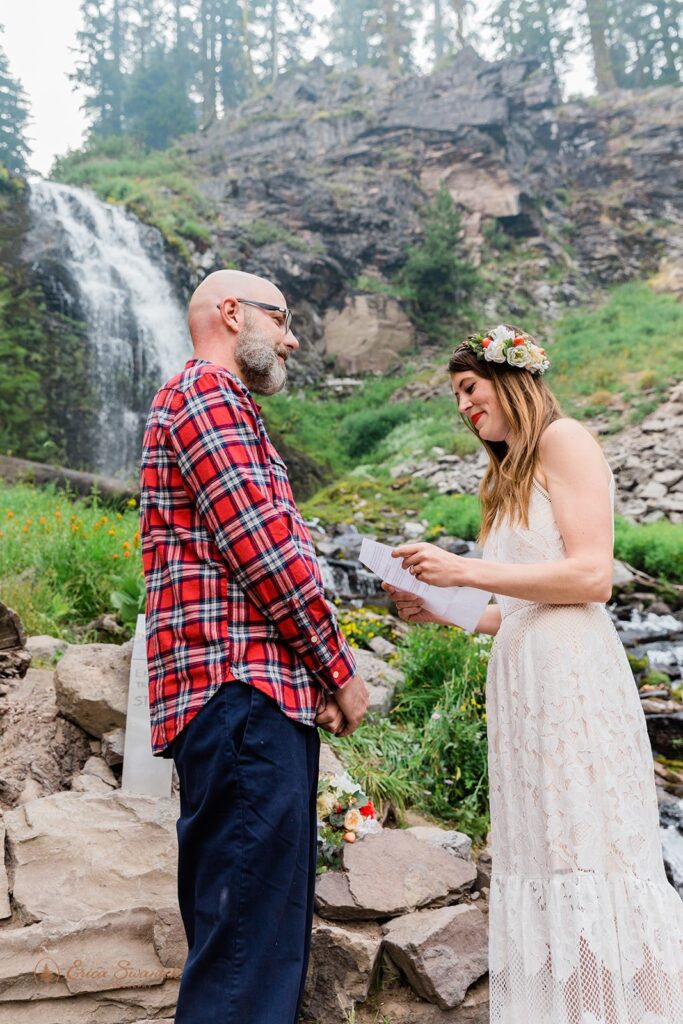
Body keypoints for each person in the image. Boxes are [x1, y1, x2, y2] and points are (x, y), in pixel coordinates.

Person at [384, 324, 683, 1024]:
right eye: (454, 396)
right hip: (522, 678)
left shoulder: (564, 439)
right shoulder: (503, 474)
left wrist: (462, 570)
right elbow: (516, 607)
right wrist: (446, 610)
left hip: (573, 676)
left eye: (468, 388)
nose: (462, 407)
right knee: (541, 847)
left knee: (586, 842)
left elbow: (590, 576)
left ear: (512, 378)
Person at [139, 269, 369, 1024]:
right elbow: (267, 553)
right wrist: (338, 671)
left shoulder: (210, 402)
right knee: (246, 955)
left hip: (244, 699)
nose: (294, 337)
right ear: (232, 314)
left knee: (246, 938)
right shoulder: (208, 396)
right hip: (244, 698)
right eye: (283, 318)